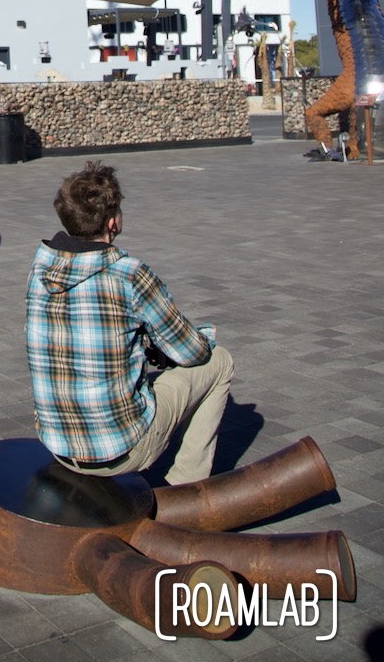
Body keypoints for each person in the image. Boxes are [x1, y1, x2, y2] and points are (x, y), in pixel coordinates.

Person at [25, 160, 234, 486]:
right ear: (113, 223)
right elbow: (192, 352)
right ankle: (186, 489)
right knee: (219, 362)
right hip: (120, 451)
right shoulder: (130, 275)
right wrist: (206, 335)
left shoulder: (39, 272)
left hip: (58, 444)